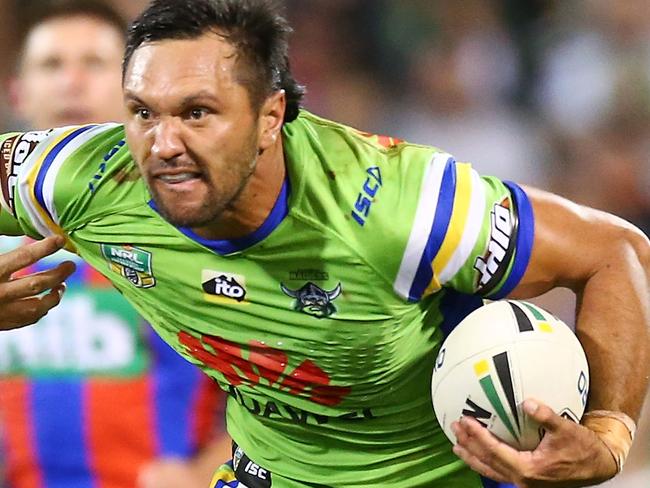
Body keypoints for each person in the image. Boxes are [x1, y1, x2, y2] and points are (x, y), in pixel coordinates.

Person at [0, 0, 647, 486]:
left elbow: (616, 252)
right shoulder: (81, 176)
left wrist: (609, 436)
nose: (164, 144)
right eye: (143, 112)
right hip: (271, 471)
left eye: (198, 113)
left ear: (269, 116)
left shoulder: (404, 207)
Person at [0, 1, 230, 487]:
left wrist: (201, 473)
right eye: (52, 65)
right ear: (16, 91)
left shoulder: (198, 224)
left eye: (93, 63)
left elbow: (281, 388)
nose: (72, 82)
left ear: (136, 95)